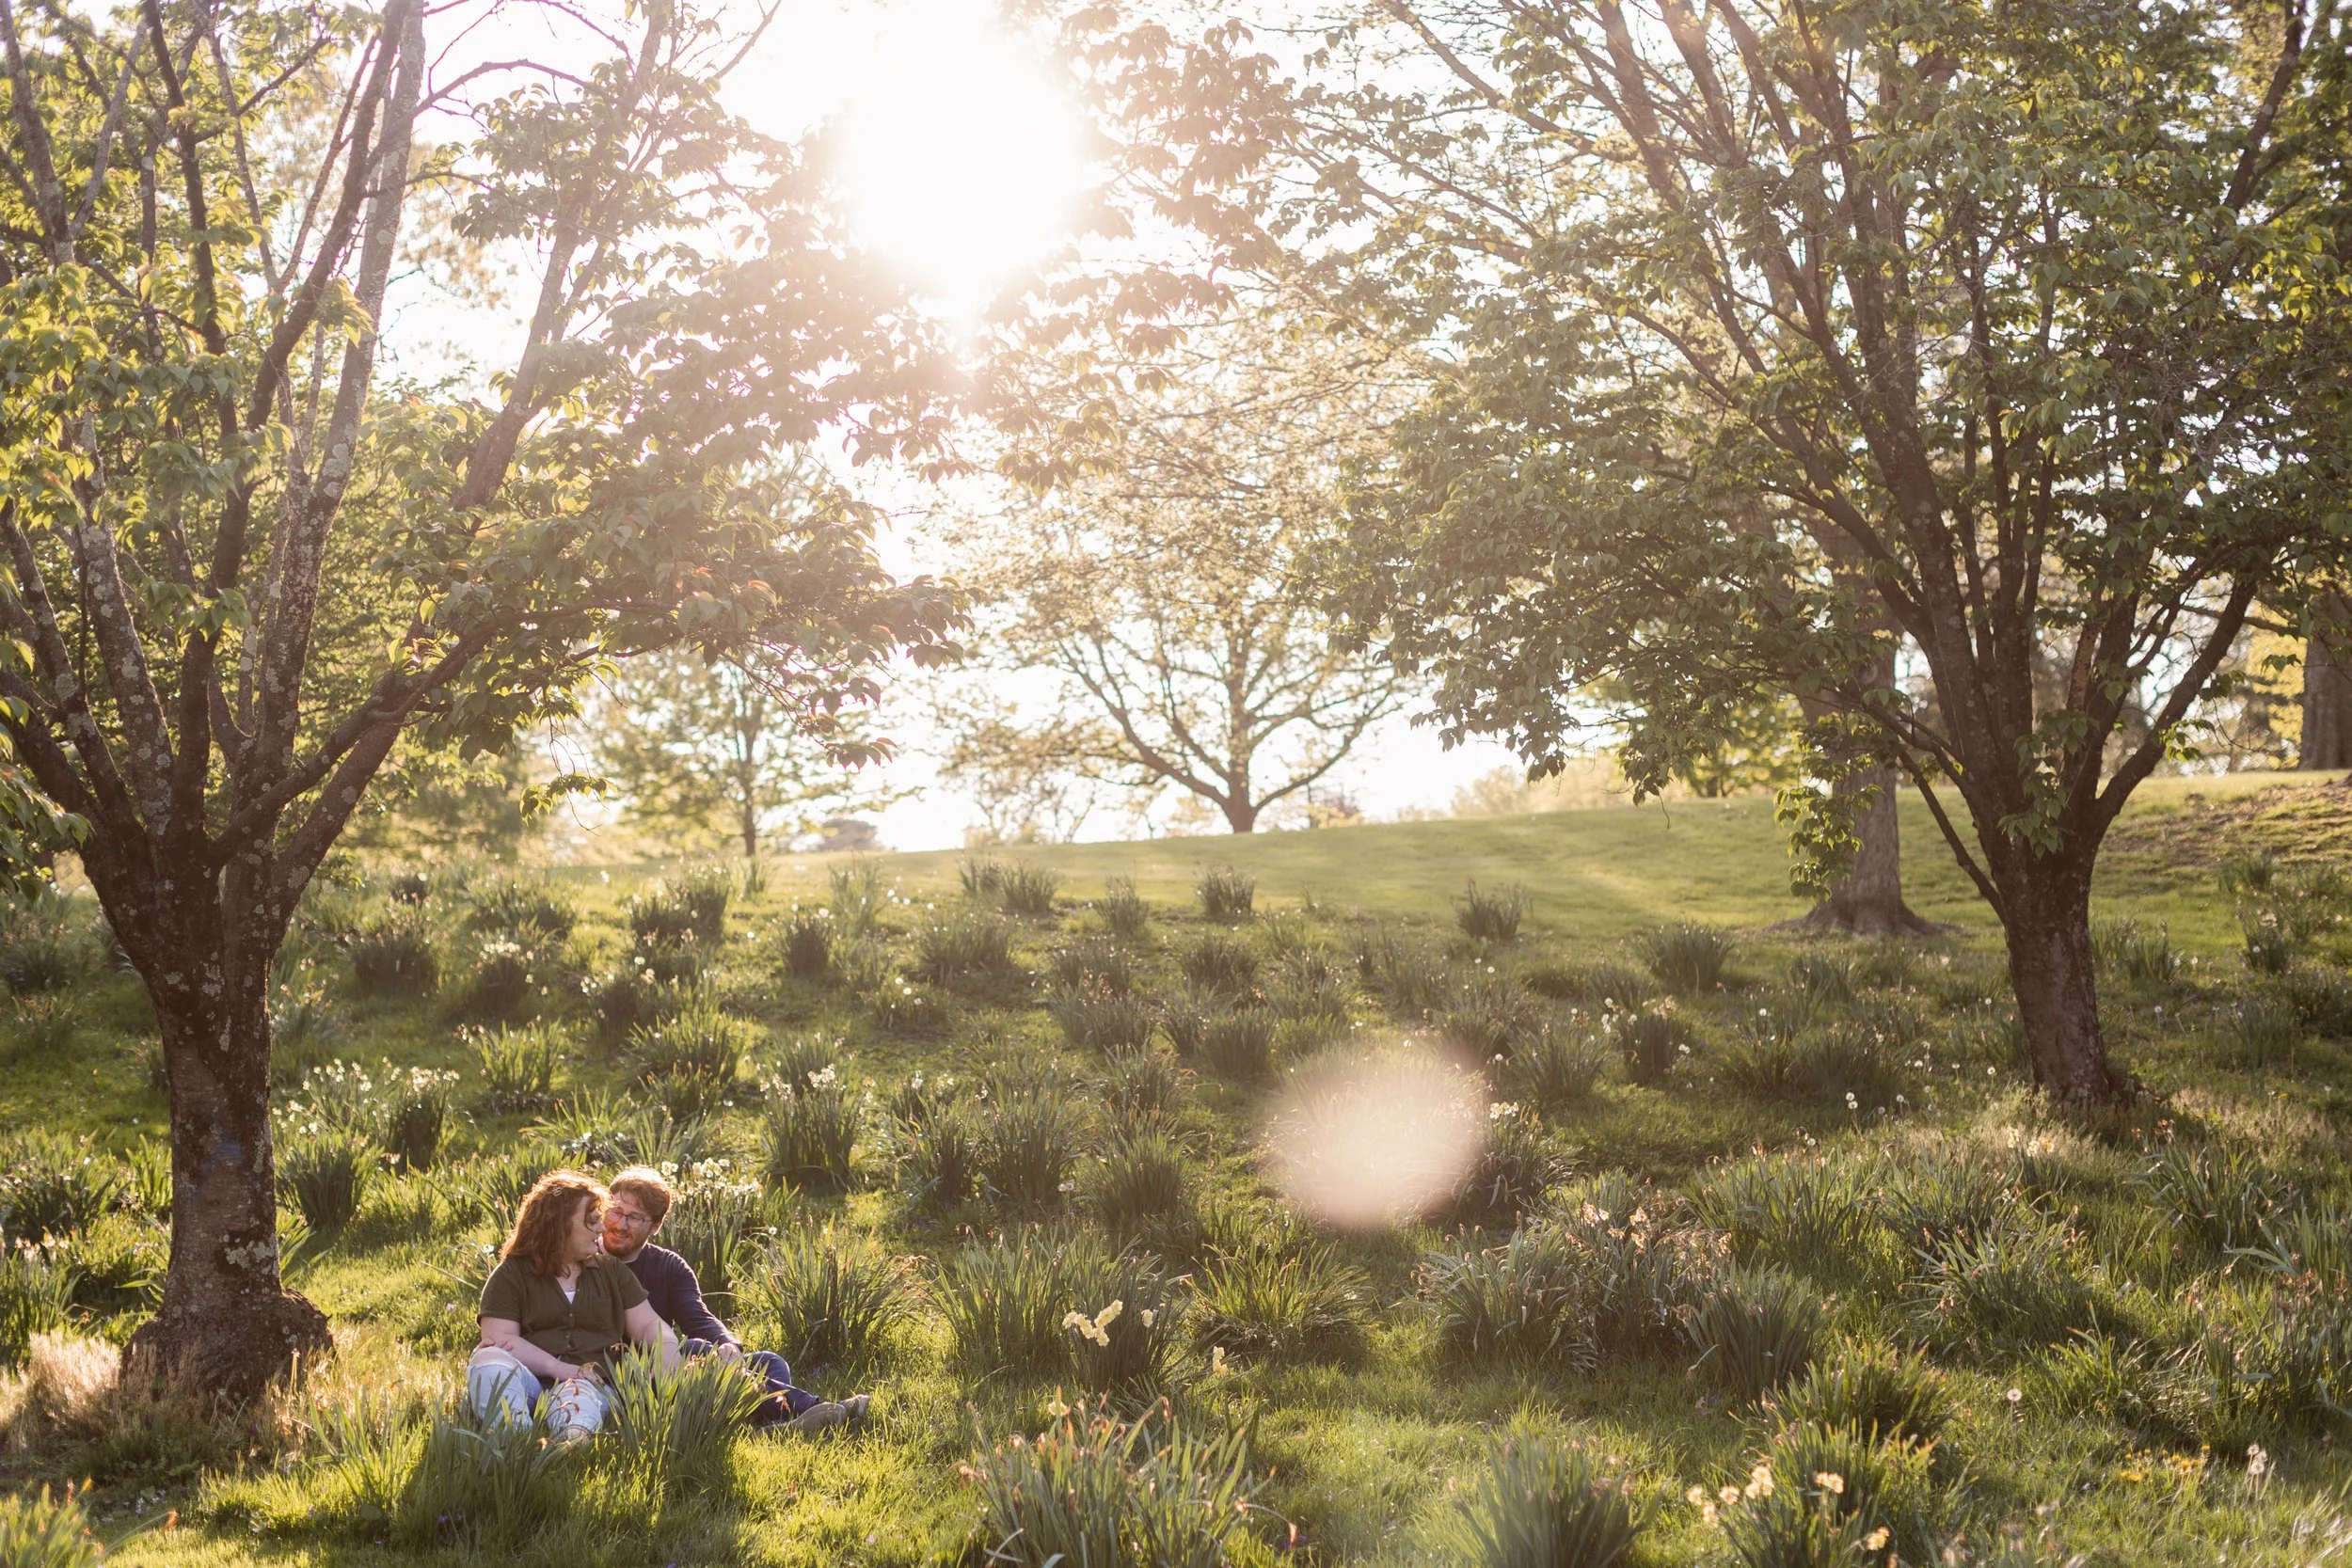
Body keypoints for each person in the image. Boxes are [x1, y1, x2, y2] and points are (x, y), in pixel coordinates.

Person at [603, 1165, 869, 1433]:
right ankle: (811, 1409)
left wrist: (729, 1346)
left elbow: (697, 1317)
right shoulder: (589, 1260)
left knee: (769, 1362)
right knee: (696, 1350)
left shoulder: (669, 1266)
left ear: (656, 1225)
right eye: (615, 1211)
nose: (620, 1225)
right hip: (632, 1373)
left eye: (635, 1218)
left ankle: (771, 1427)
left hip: (670, 1362)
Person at [469, 1170, 677, 1442]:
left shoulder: (611, 1271)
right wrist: (558, 1368)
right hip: (528, 1383)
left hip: (587, 1385)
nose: (602, 1229)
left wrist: (668, 1349)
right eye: (592, 1221)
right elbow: (499, 1340)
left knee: (578, 1399)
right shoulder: (511, 1275)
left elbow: (648, 1324)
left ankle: (569, 1448)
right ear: (560, 1225)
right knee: (487, 1361)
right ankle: (513, 1443)